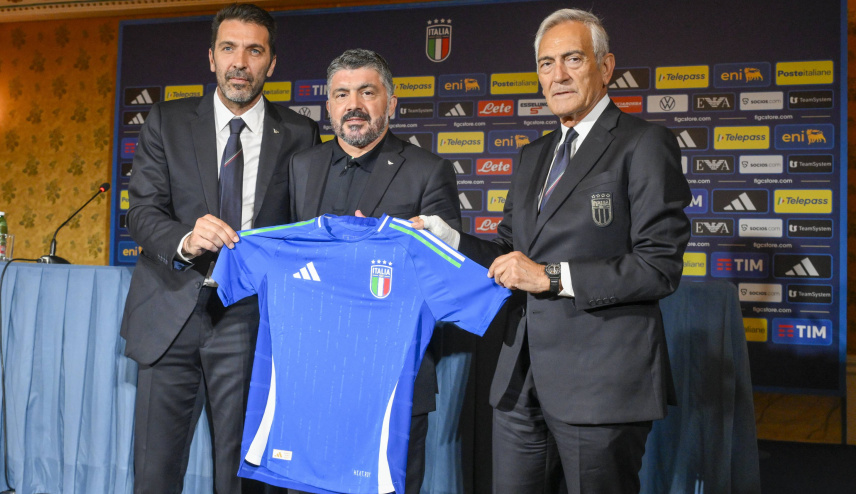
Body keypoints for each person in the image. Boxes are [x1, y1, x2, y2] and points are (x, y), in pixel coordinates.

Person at [414, 8, 691, 494]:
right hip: (520, 381)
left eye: (572, 60)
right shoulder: (532, 155)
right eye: (546, 64)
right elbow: (508, 252)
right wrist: (449, 238)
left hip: (601, 387)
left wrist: (552, 277)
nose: (557, 75)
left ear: (605, 68)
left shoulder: (645, 144)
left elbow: (658, 267)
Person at [119, 4, 320, 493]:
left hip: (250, 321)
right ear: (211, 57)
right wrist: (185, 239)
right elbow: (141, 213)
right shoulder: (165, 121)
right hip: (170, 314)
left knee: (243, 476)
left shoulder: (299, 134)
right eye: (229, 48)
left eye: (254, 51)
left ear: (271, 64)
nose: (240, 62)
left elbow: (306, 231)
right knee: (154, 473)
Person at [287, 48, 461, 494]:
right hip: (312, 379)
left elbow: (444, 277)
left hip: (393, 381)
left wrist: (379, 248)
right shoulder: (301, 167)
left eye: (368, 91)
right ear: (328, 107)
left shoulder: (429, 171)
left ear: (392, 102)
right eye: (341, 94)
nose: (354, 104)